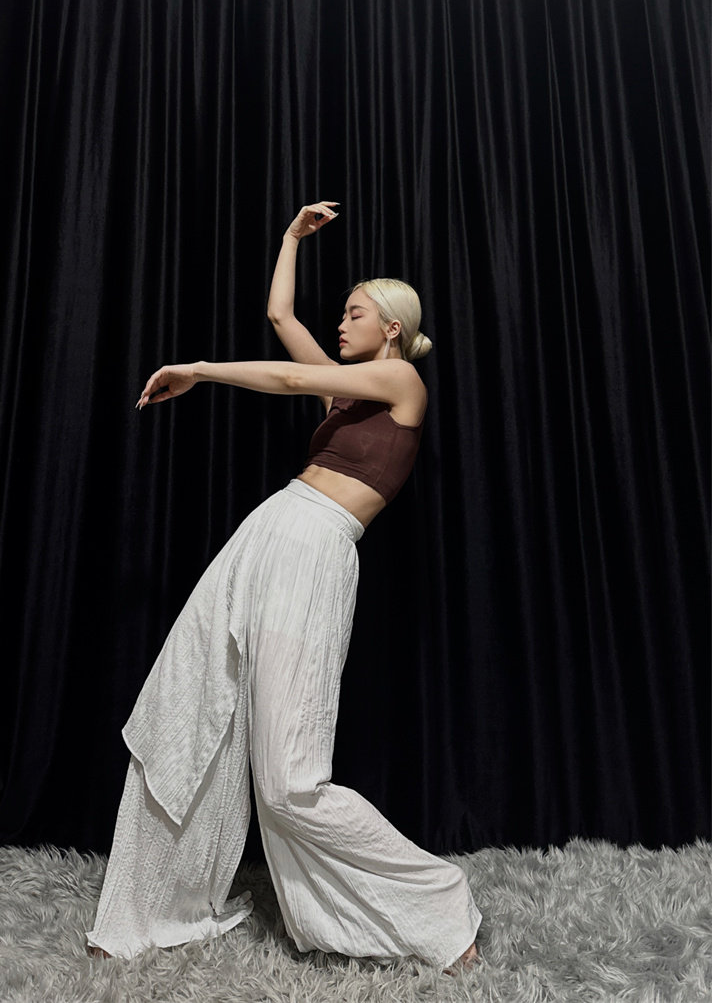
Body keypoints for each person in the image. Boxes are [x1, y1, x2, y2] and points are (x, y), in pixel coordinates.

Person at [86, 202, 482, 973]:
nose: (341, 323)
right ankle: (143, 909)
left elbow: (295, 373)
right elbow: (280, 318)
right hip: (268, 533)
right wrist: (290, 239)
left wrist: (199, 370)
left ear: (392, 328)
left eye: (354, 313)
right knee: (189, 705)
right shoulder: (346, 396)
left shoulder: (402, 379)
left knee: (289, 782)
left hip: (314, 548)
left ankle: (439, 904)